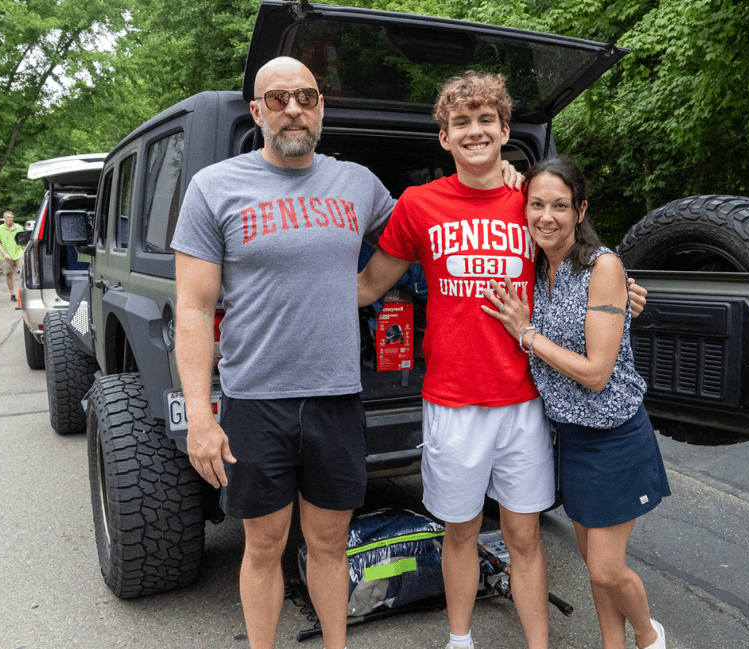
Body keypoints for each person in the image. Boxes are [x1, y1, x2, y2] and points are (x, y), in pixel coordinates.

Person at [171, 57, 522, 649]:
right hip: (255, 400)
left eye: (306, 96)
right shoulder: (215, 187)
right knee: (262, 545)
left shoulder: (356, 183)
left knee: (331, 544)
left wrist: (500, 176)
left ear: (321, 107)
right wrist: (201, 418)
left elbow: (428, 223)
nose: (293, 109)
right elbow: (194, 309)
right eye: (278, 98)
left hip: (337, 396)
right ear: (256, 112)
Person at [356, 71, 648, 649]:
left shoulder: (529, 200)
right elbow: (368, 286)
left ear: (505, 130)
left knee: (522, 535)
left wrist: (624, 291)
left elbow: (586, 266)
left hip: (524, 401)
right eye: (460, 122)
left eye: (485, 120)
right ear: (444, 137)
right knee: (460, 532)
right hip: (452, 399)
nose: (474, 131)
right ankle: (459, 639)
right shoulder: (419, 204)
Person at [481, 156, 671, 649]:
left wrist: (526, 333)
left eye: (560, 206)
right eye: (537, 205)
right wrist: (504, 168)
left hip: (614, 438)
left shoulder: (603, 266)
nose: (546, 216)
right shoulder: (538, 264)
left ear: (580, 209)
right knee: (593, 564)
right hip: (571, 439)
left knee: (608, 569)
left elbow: (595, 374)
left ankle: (650, 638)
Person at [0, 211, 24, 302]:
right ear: (4, 218)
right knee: (9, 274)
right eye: (8, 217)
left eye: (11, 217)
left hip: (18, 254)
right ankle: (12, 294)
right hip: (5, 255)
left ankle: (22, 293)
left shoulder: (19, 228)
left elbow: (22, 241)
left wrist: (25, 251)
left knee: (22, 273)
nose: (10, 219)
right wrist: (4, 253)